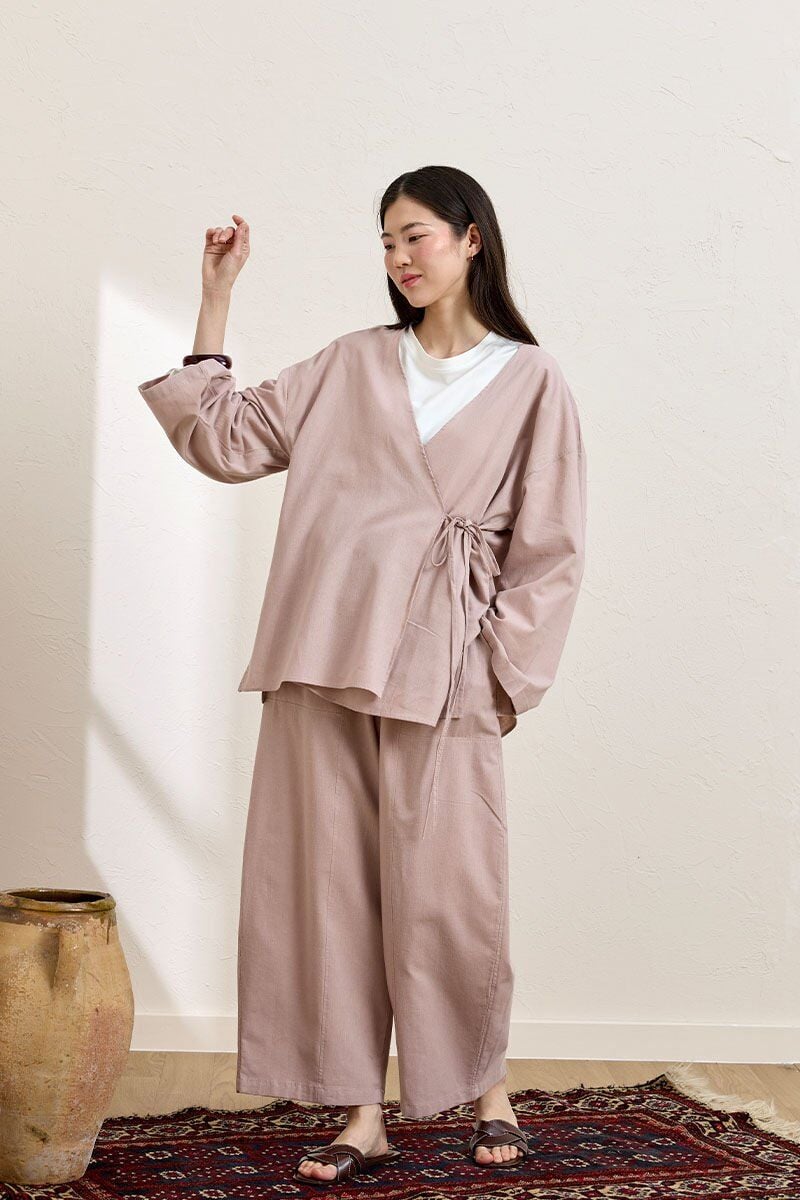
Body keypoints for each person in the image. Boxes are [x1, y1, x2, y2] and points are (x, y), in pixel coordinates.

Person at [139, 165, 587, 1187]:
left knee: (451, 891)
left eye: (415, 235)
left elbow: (551, 548)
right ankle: (359, 1110)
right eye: (386, 241)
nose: (398, 257)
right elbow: (225, 438)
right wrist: (217, 300)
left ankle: (488, 1089)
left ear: (471, 239)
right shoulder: (350, 363)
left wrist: (498, 673)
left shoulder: (532, 379)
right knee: (328, 891)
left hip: (446, 667)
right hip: (321, 655)